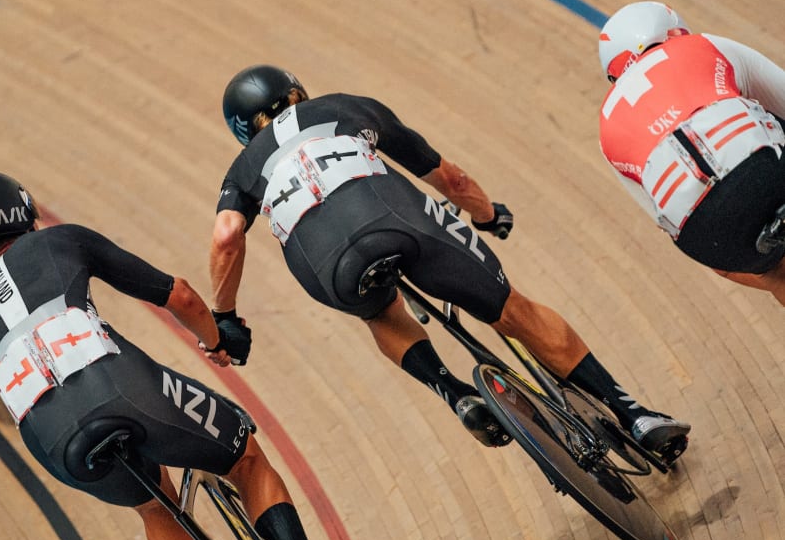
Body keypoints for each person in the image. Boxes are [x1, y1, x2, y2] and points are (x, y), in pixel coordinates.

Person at [209, 64, 690, 464]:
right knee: (512, 311)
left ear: (239, 131)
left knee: (379, 313)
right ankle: (634, 416)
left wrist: (225, 318)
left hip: (325, 264)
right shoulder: (341, 106)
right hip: (392, 216)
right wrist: (488, 215)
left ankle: (454, 393)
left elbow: (227, 236)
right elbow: (450, 178)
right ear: (298, 93)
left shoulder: (242, 170)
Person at [0, 172, 350, 540]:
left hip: (56, 445)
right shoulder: (59, 240)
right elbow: (181, 297)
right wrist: (217, 339)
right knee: (243, 456)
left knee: (154, 509)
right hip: (122, 389)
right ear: (17, 213)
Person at [597, 1, 785, 306]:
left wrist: (771, 273)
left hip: (705, 236)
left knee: (772, 269)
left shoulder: (605, 128)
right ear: (673, 33)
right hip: (759, 170)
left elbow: (667, 222)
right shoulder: (700, 45)